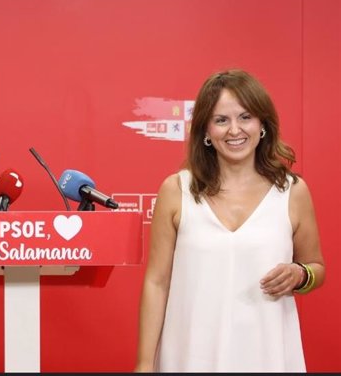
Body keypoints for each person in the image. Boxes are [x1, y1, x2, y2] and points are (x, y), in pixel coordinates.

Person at [135, 69, 325, 372]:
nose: (234, 130)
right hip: (189, 357)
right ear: (206, 131)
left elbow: (316, 266)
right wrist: (144, 365)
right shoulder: (176, 190)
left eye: (245, 117)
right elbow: (157, 283)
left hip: (268, 355)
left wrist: (300, 275)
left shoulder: (292, 191)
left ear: (262, 124)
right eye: (221, 120)